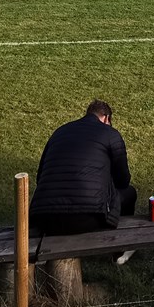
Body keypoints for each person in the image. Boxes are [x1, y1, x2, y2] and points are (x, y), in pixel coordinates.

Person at [29, 100, 138, 262]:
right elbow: (123, 181)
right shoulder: (110, 134)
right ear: (106, 118)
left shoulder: (59, 132)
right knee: (130, 193)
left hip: (44, 217)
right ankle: (120, 249)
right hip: (87, 217)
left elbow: (40, 177)